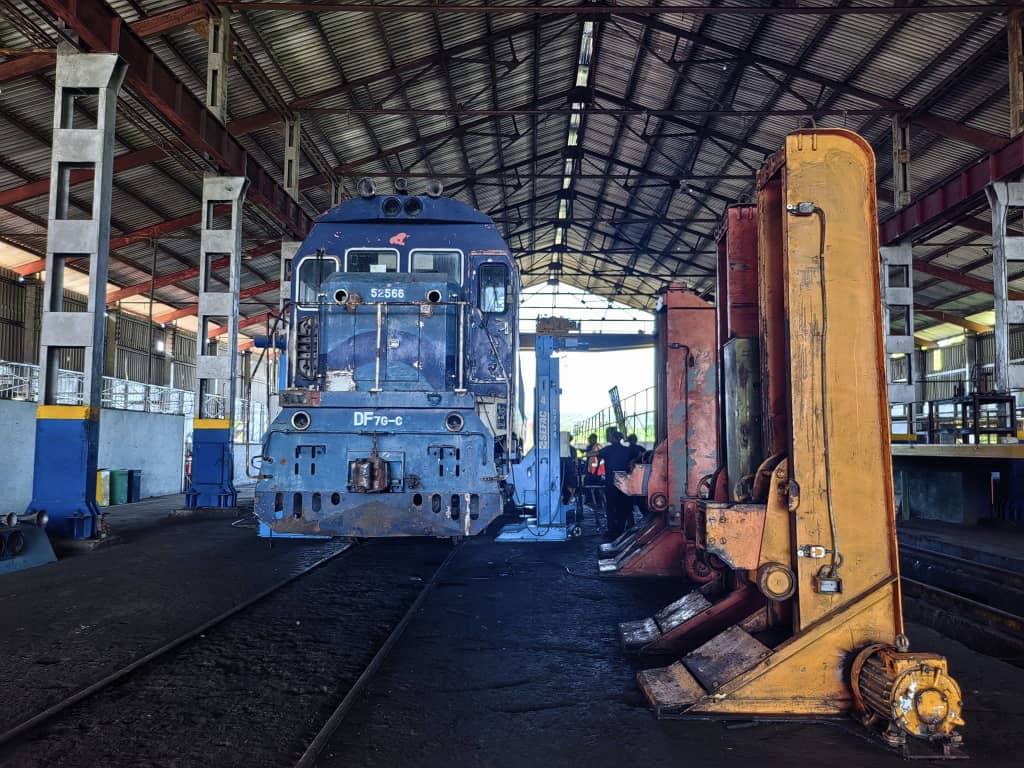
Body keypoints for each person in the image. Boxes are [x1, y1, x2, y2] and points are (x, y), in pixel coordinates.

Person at [598, 430, 635, 539]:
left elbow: (596, 454)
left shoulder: (607, 450)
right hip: (623, 479)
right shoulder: (627, 450)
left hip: (611, 480)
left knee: (611, 507)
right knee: (622, 506)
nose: (607, 437)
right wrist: (631, 464)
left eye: (609, 436)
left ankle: (612, 530)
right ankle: (621, 529)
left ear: (614, 438)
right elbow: (639, 455)